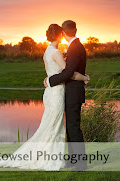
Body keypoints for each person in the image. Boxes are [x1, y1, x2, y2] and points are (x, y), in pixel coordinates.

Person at [0, 23, 89, 171]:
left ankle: (75, 161)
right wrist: (84, 77)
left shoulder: (50, 50)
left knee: (62, 127)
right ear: (61, 34)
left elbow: (66, 71)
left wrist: (51, 79)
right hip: (57, 92)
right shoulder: (58, 51)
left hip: (57, 93)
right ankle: (69, 160)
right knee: (59, 126)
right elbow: (68, 72)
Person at [44, 20, 88, 171]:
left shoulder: (75, 47)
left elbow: (68, 72)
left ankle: (81, 163)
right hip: (71, 92)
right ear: (75, 30)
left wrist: (51, 80)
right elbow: (71, 68)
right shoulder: (75, 46)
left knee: (74, 128)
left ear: (63, 32)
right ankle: (73, 160)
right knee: (70, 128)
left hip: (74, 93)